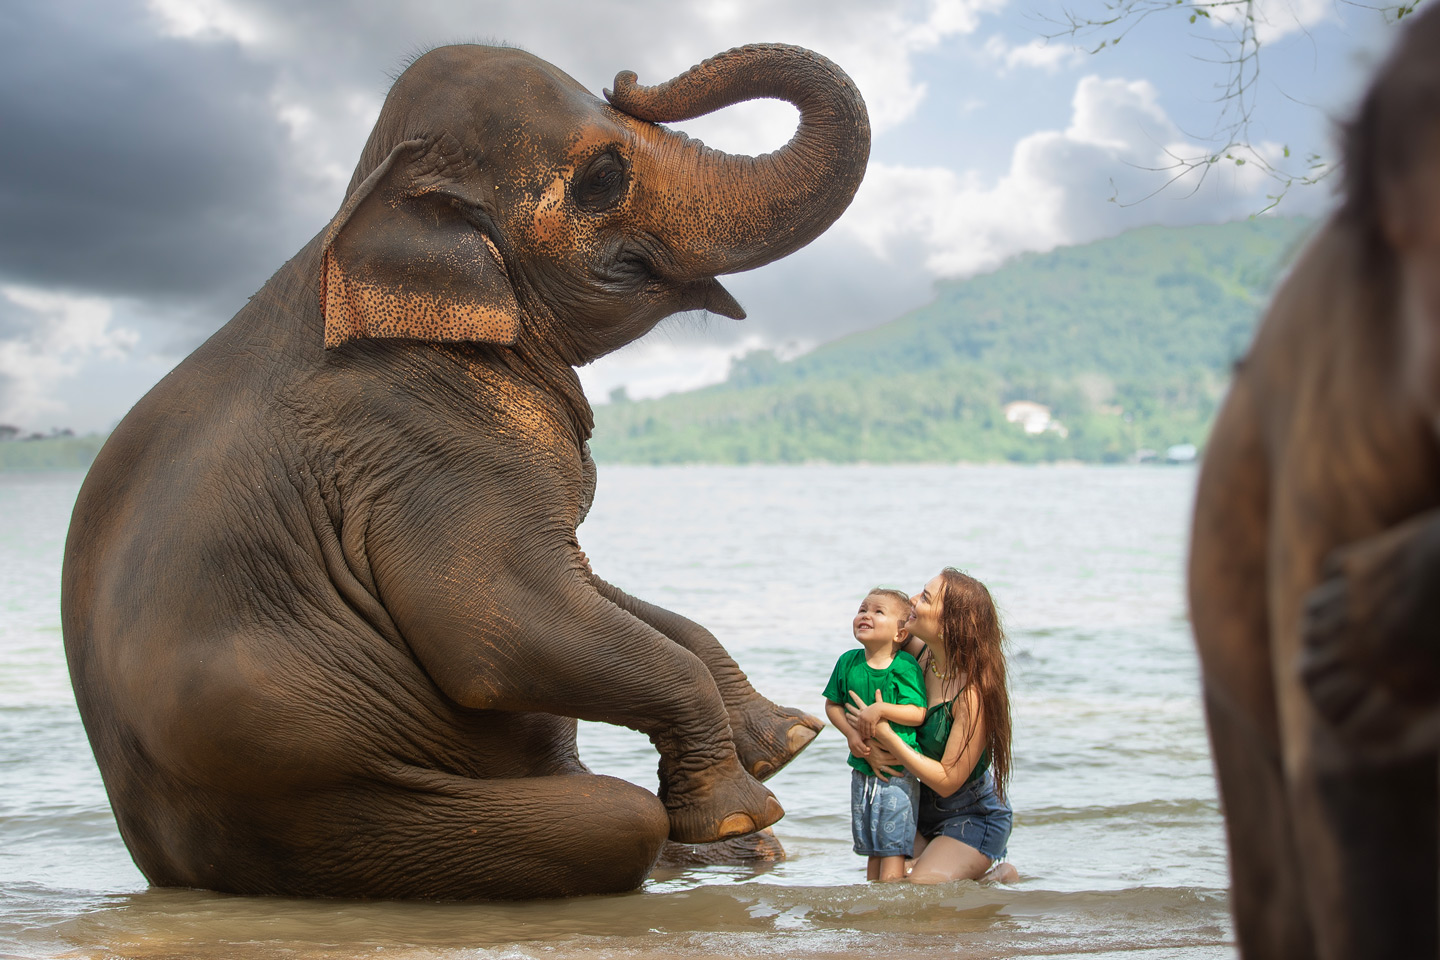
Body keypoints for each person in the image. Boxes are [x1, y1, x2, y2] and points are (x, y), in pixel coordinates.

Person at [847, 568, 1017, 884]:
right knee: (887, 882)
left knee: (917, 890)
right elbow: (857, 691)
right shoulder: (916, 654)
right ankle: (945, 866)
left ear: (949, 624)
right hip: (911, 805)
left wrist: (886, 736)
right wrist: (859, 742)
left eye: (925, 597)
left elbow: (948, 781)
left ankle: (998, 876)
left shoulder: (973, 695)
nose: (911, 600)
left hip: (969, 818)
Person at [823, 588, 929, 882]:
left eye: (878, 612)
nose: (865, 615)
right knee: (872, 844)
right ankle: (874, 904)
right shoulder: (848, 662)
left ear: (900, 634)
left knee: (892, 846)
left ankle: (890, 907)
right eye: (862, 609)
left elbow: (917, 712)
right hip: (862, 767)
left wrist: (880, 710)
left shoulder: (904, 666)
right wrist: (850, 735)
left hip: (896, 770)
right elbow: (832, 705)